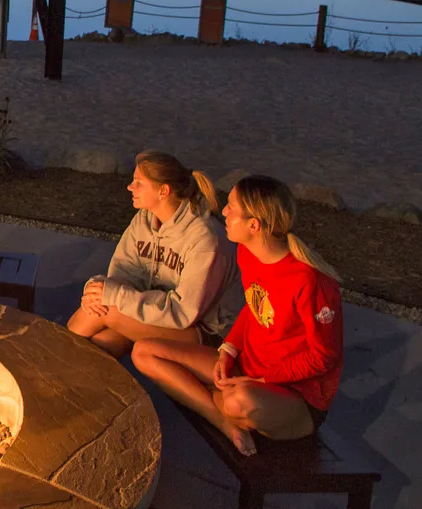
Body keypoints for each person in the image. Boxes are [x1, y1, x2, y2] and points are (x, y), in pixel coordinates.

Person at [132, 176, 343, 456]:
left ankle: (212, 401)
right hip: (247, 369)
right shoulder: (247, 252)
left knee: (239, 401)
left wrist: (263, 381)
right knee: (144, 352)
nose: (224, 212)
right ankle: (224, 422)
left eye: (231, 207)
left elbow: (323, 356)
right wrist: (227, 351)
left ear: (254, 225)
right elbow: (253, 308)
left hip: (293, 395)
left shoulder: (310, 281)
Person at [67, 150, 242, 359]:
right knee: (104, 340)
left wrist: (114, 295)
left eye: (138, 182)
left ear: (163, 191)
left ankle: (46, 360)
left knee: (109, 309)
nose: (130, 187)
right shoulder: (144, 221)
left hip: (203, 329)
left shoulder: (204, 238)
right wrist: (95, 290)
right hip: (158, 313)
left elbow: (182, 312)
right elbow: (123, 273)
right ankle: (64, 378)